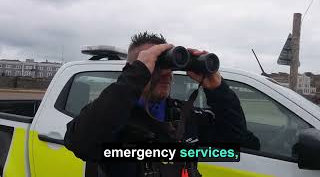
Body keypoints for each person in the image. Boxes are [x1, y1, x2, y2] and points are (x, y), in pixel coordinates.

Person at [64, 32, 259, 177]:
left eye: (170, 66)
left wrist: (218, 89)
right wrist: (136, 76)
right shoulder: (111, 116)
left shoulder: (183, 116)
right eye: (157, 65)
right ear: (133, 70)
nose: (167, 73)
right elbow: (81, 143)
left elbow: (235, 138)